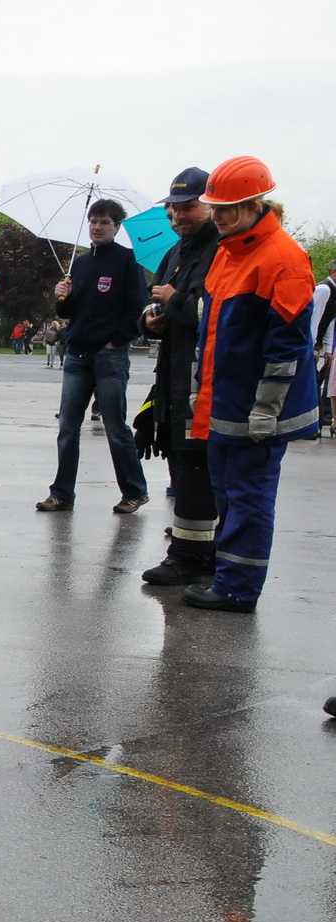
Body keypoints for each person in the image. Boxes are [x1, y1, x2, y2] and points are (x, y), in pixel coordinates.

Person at [180, 157, 320, 613]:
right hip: (226, 398)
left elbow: (287, 345)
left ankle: (239, 588)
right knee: (230, 492)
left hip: (256, 406)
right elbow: (214, 327)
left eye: (226, 209)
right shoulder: (230, 249)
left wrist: (267, 409)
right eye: (215, 208)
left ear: (253, 204)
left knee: (249, 495)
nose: (217, 217)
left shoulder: (283, 258)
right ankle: (230, 577)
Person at [133, 167, 222, 586]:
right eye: (173, 209)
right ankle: (195, 551)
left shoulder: (220, 250)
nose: (177, 217)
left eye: (187, 207)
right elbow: (153, 303)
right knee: (180, 461)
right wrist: (151, 321)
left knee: (196, 466)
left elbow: (218, 313)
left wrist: (175, 302)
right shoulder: (175, 253)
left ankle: (190, 556)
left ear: (210, 205)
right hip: (172, 371)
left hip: (200, 376)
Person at [35, 199, 150, 513]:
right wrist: (63, 299)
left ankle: (134, 491)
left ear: (116, 226)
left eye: (105, 222)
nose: (97, 227)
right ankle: (61, 493)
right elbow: (70, 311)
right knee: (68, 427)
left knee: (115, 427)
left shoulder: (128, 261)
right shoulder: (81, 264)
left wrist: (116, 341)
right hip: (77, 355)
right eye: (94, 221)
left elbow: (137, 307)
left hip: (109, 356)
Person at [313, 257, 335, 431]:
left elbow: (330, 321)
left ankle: (317, 422)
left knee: (315, 383)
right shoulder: (323, 289)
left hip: (318, 344)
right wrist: (312, 345)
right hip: (311, 344)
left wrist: (327, 348)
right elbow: (314, 318)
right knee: (312, 384)